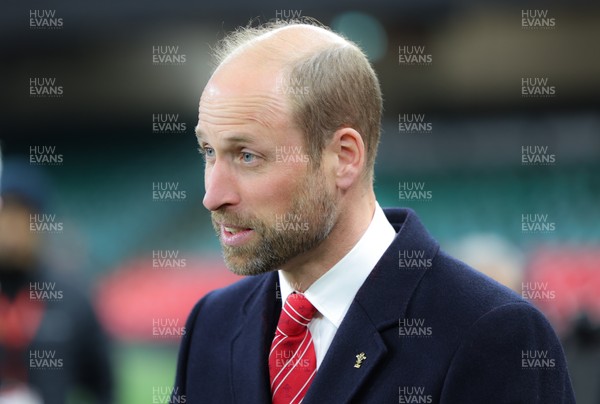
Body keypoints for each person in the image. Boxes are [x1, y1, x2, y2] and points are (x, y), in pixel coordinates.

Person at [173, 20, 575, 403]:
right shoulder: (212, 325)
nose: (213, 195)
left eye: (247, 155)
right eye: (208, 151)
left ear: (344, 158)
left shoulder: (493, 334)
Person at [0, 158, 113, 404]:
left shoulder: (71, 298)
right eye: (5, 213)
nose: (12, 226)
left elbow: (104, 387)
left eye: (23, 215)